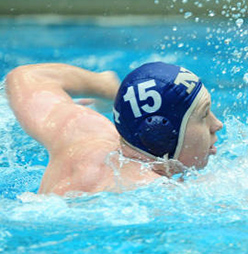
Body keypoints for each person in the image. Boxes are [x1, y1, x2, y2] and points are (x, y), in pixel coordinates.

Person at [5, 62, 223, 196]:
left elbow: (26, 77)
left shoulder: (84, 135)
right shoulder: (157, 193)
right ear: (161, 133)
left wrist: (112, 90)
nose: (217, 125)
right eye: (204, 115)